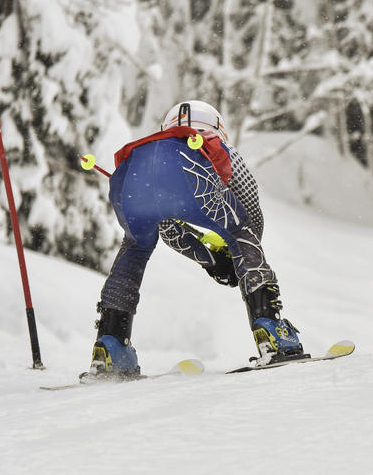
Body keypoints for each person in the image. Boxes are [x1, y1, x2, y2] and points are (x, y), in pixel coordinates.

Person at [84, 100, 306, 380]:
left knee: (135, 247)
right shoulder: (207, 142)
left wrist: (210, 260)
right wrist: (236, 260)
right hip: (192, 176)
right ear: (216, 127)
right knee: (241, 231)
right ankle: (272, 332)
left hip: (130, 177)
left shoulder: (151, 151)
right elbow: (249, 212)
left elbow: (169, 230)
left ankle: (111, 345)